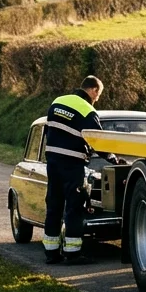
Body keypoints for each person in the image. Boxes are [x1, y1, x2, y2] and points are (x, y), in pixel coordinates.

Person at [42, 75, 116, 265]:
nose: (96, 99)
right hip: (72, 164)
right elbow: (97, 140)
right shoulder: (87, 110)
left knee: (54, 205)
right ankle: (72, 253)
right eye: (97, 96)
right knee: (75, 207)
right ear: (93, 91)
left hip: (52, 162)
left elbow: (48, 131)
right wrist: (113, 159)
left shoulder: (57, 102)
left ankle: (51, 253)